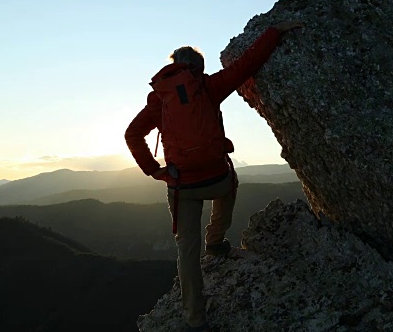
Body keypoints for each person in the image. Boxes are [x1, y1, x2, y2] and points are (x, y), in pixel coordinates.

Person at [125, 20, 303, 332]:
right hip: (216, 177)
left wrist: (155, 170)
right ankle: (216, 240)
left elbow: (132, 135)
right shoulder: (209, 87)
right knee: (230, 181)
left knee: (186, 252)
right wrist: (275, 31)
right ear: (198, 68)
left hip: (181, 185)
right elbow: (248, 63)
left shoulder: (159, 100)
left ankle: (195, 319)